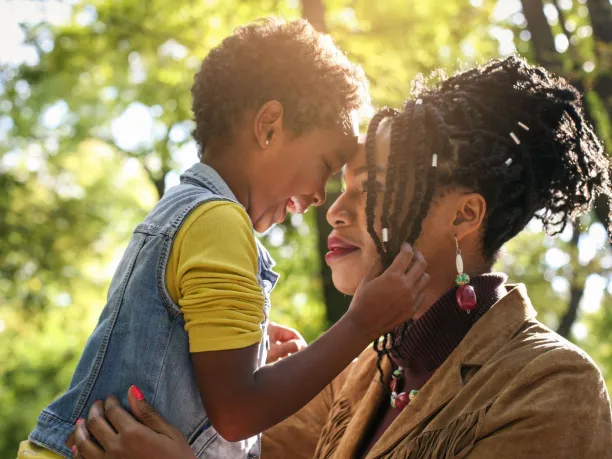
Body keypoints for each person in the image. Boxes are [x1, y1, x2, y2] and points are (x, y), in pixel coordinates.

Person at [72, 55, 612, 459]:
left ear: (465, 216)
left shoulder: (553, 386)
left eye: (374, 187)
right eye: (341, 184)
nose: (335, 210)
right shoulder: (354, 373)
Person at [18, 18, 431, 459]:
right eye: (326, 165)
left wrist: (251, 356)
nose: (317, 197)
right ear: (269, 126)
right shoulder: (219, 222)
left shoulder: (184, 211)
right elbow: (237, 413)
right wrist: (360, 324)